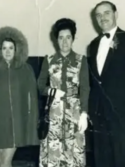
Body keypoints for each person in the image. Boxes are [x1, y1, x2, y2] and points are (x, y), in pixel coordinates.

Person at [86, 1, 125, 167]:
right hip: (99, 116)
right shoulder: (93, 45)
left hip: (122, 117)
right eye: (98, 15)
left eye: (106, 13)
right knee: (101, 160)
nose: (102, 18)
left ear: (115, 14)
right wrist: (91, 111)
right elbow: (94, 83)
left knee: (121, 161)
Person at [38, 18, 90, 167]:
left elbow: (85, 88)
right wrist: (51, 90)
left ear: (73, 38)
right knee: (53, 156)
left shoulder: (81, 60)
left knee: (74, 156)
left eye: (68, 37)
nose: (65, 42)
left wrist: (84, 113)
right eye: (61, 38)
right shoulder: (49, 60)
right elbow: (40, 85)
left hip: (74, 114)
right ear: (56, 40)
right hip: (53, 114)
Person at [0, 26, 39, 167]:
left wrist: (31, 126)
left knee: (5, 160)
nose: (7, 51)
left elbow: (32, 99)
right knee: (2, 160)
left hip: (17, 126)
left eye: (11, 48)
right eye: (4, 48)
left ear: (17, 50)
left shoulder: (26, 69)